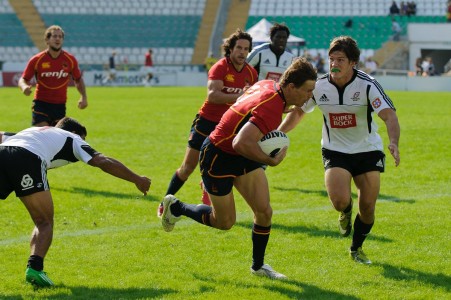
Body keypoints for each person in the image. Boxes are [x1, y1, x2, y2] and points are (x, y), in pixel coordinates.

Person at [159, 57, 317, 280]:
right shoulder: (271, 106)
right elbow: (240, 142)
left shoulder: (268, 85)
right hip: (218, 156)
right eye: (308, 90)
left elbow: (249, 105)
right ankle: (177, 208)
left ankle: (258, 266)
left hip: (242, 154)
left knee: (264, 211)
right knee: (224, 222)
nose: (310, 95)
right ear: (291, 87)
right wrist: (270, 160)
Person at [279, 36, 400, 265]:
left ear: (353, 62)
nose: (334, 63)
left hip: (367, 150)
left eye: (341, 59)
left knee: (368, 207)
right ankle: (345, 211)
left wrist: (393, 141)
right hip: (335, 151)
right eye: (331, 58)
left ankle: (356, 248)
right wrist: (280, 133)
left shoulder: (368, 84)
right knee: (339, 201)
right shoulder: (319, 85)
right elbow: (298, 112)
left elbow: (389, 115)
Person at [0, 117, 151, 287]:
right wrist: (137, 179)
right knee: (44, 222)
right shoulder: (72, 138)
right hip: (27, 159)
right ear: (74, 132)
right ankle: (35, 268)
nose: (84, 143)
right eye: (84, 139)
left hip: (3, 151)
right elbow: (103, 161)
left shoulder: (35, 131)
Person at [160, 28, 258, 208]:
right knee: (188, 167)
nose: (242, 52)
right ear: (230, 49)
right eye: (239, 48)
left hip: (228, 127)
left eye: (246, 49)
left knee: (220, 166)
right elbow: (213, 95)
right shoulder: (220, 67)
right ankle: (165, 200)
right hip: (206, 122)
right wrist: (241, 96)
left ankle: (208, 190)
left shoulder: (251, 73)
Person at [18, 25, 88, 127]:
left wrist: (84, 97)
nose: (58, 39)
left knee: (56, 139)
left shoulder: (70, 60)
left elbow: (78, 79)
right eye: (54, 36)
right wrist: (24, 87)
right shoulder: (37, 60)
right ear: (47, 40)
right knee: (43, 134)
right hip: (41, 104)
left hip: (60, 106)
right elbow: (23, 79)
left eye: (60, 37)